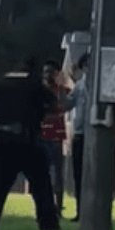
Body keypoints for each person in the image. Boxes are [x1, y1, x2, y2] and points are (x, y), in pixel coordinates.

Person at [0, 57, 61, 230]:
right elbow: (52, 105)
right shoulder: (35, 85)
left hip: (2, 139)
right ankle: (49, 227)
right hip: (28, 140)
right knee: (42, 188)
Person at [40, 59, 71, 219]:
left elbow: (65, 106)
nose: (47, 75)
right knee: (41, 175)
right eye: (45, 72)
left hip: (57, 137)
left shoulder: (62, 91)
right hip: (41, 136)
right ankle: (44, 208)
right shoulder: (39, 91)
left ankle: (58, 208)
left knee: (58, 175)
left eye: (51, 72)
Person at [60, 53, 89, 222]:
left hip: (93, 136)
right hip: (79, 134)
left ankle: (90, 212)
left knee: (90, 175)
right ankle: (80, 212)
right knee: (78, 175)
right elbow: (67, 105)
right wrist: (61, 91)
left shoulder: (93, 85)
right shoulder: (79, 86)